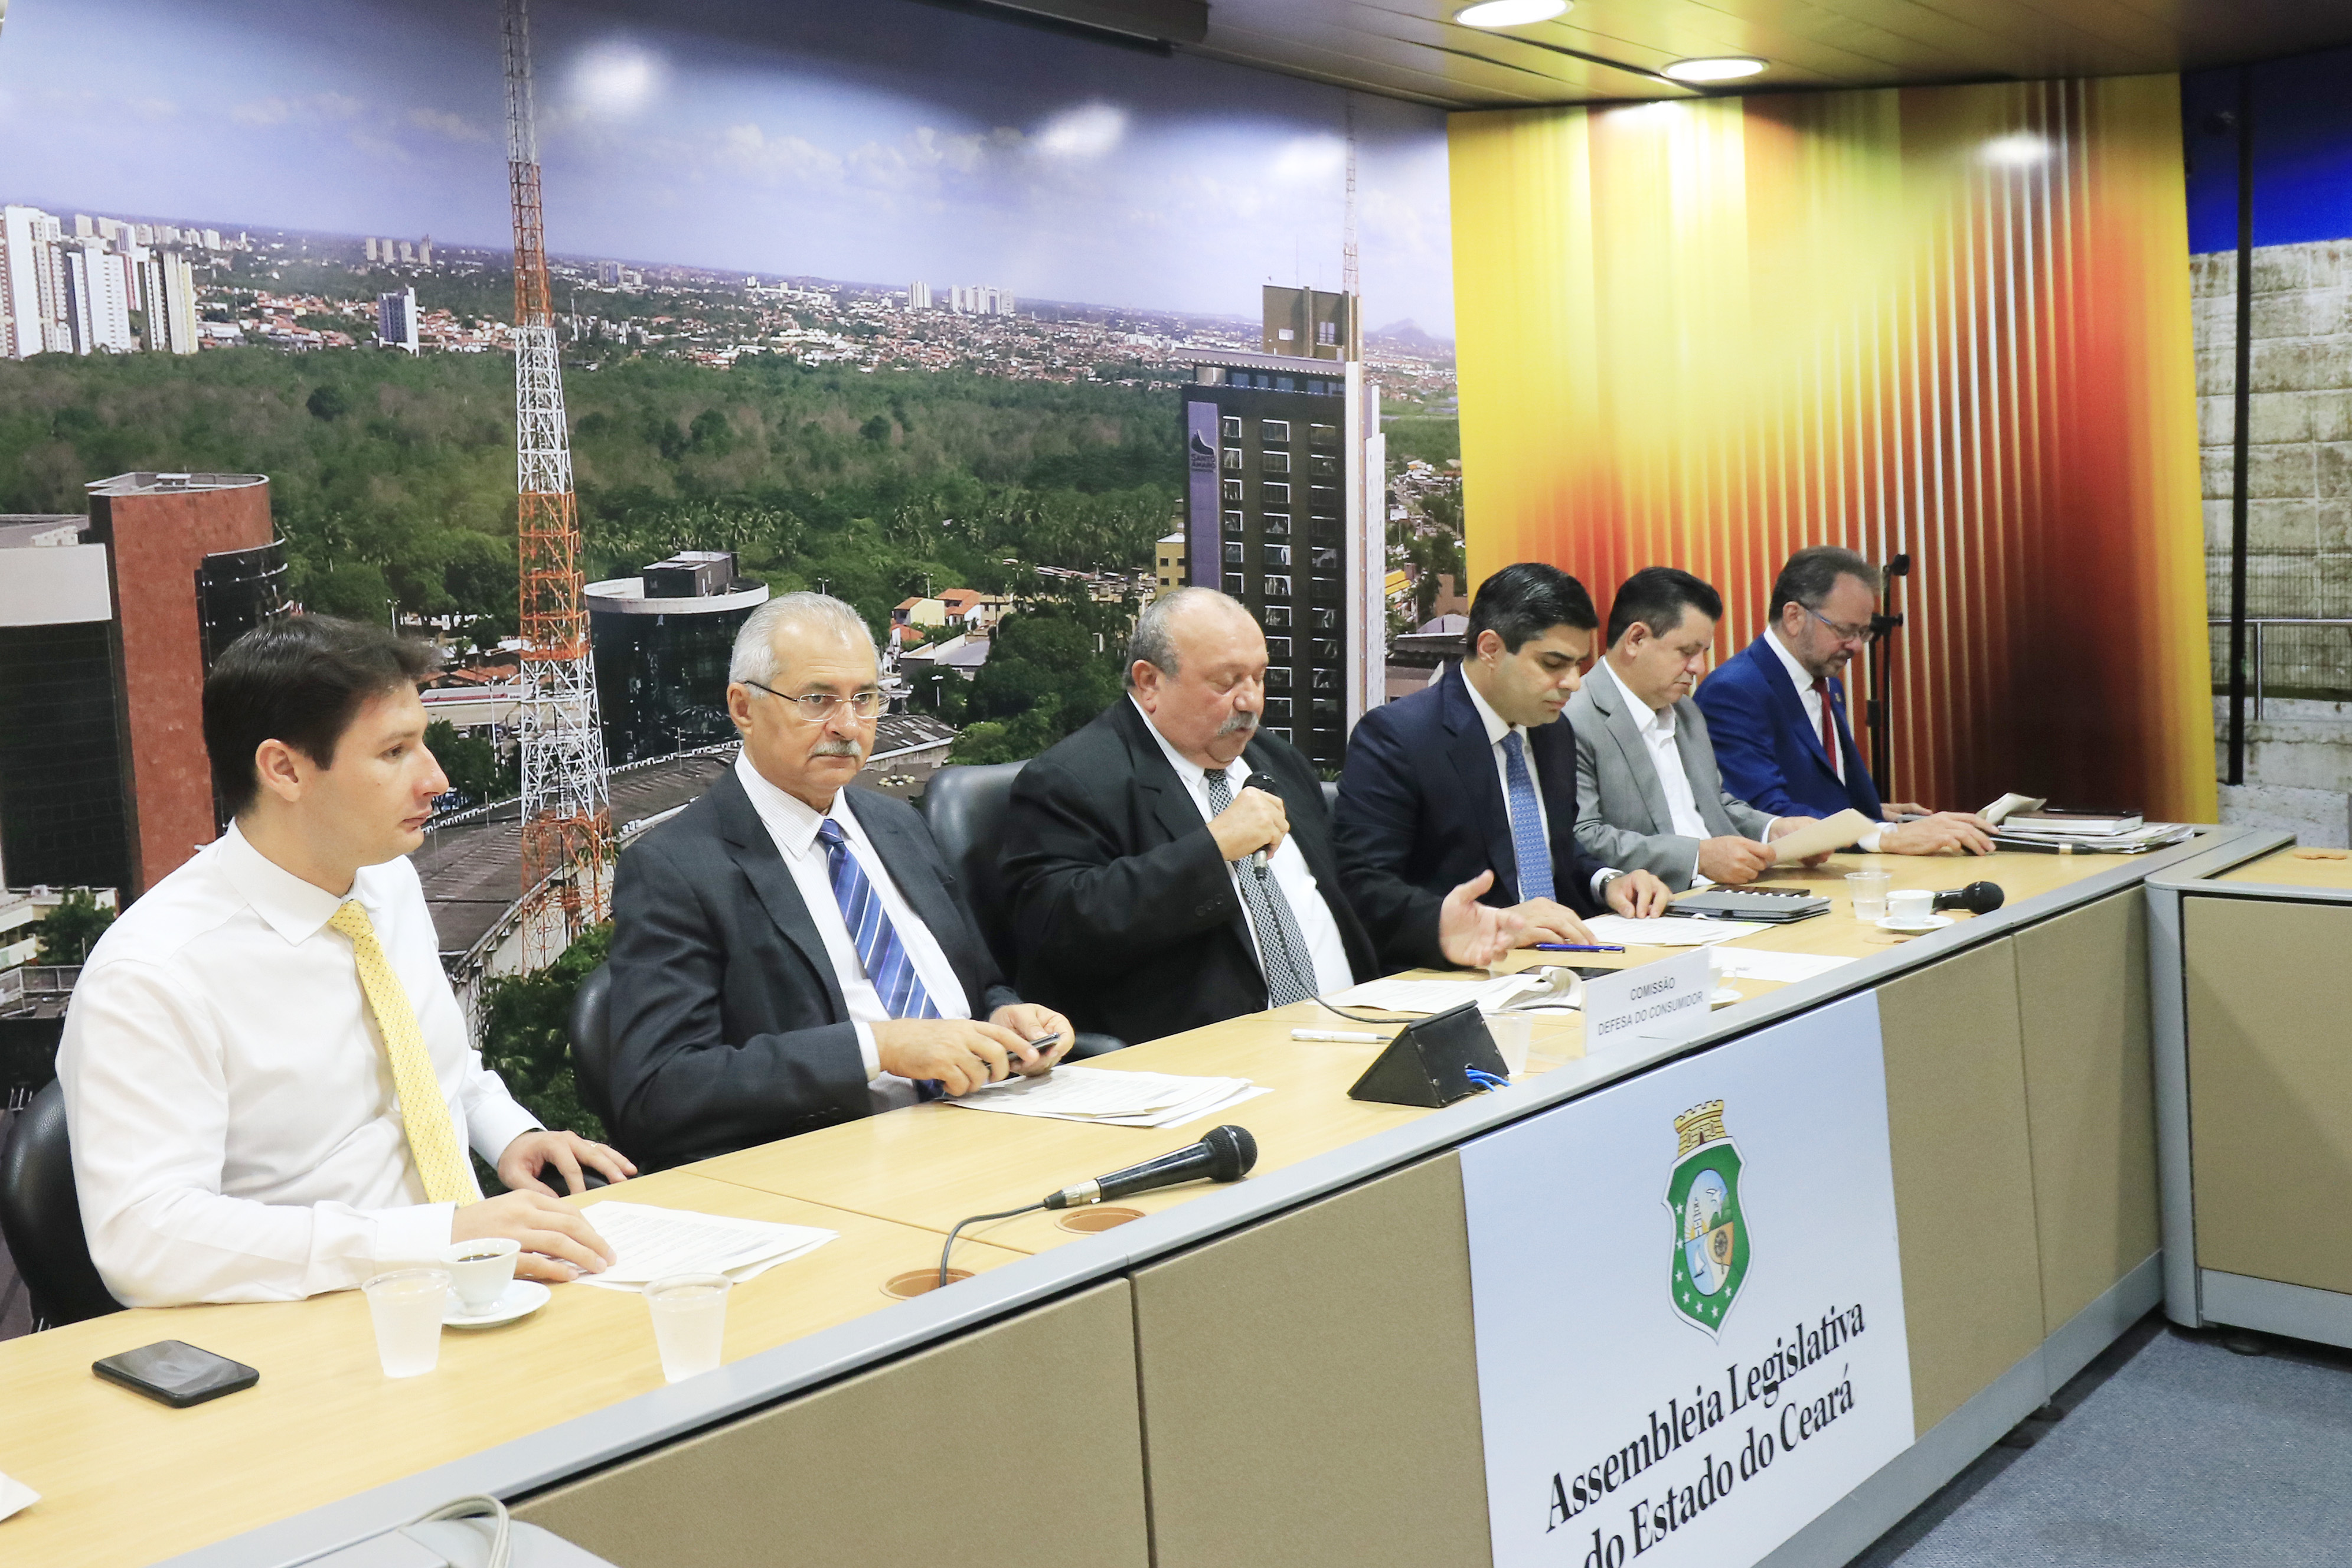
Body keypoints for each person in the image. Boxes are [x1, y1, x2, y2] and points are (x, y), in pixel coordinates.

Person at [57, 616, 630, 1308]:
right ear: (285, 769)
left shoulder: (384, 880)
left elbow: (433, 1065)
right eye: (394, 752)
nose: (436, 779)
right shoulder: (152, 974)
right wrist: (432, 1237)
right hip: (311, 1326)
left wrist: (511, 1134)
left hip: (476, 1285)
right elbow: (145, 1241)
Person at [606, 594, 1072, 1170]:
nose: (848, 726)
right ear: (743, 707)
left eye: (865, 698)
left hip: (992, 1122)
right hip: (848, 1165)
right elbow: (659, 1091)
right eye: (817, 700)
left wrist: (1004, 1018)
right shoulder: (676, 869)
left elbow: (980, 986)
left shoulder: (899, 824)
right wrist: (880, 1048)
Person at [1001, 587, 1524, 1046]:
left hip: (1357, 1029)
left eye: (1259, 676)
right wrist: (1212, 849)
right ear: (1150, 682)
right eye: (1226, 682)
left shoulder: (1274, 760)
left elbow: (1345, 893)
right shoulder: (1074, 780)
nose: (1250, 701)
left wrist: (1433, 927)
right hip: (1217, 1060)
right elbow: (1057, 933)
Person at [1334, 563, 1671, 969]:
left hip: (1561, 961)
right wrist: (1484, 924)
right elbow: (1364, 888)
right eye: (1553, 664)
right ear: (1491, 649)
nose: (1573, 682)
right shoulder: (1400, 737)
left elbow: (1556, 853)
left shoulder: (1553, 732)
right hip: (1464, 973)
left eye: (1579, 664)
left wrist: (1609, 882)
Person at [1694, 546, 1994, 856]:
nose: (1857, 647)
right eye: (1846, 630)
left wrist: (1874, 814)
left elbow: (1817, 787)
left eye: (1863, 632)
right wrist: (1882, 835)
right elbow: (1765, 813)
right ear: (1794, 617)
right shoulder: (1734, 692)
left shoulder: (1827, 684)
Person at [1568, 567, 1821, 888]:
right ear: (1636, 639)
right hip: (1657, 900)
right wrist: (1698, 858)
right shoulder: (1574, 717)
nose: (1699, 667)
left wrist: (1773, 830)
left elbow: (1716, 804)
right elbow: (1584, 837)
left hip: (1727, 890)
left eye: (1703, 653)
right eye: (1687, 652)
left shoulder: (1686, 711)